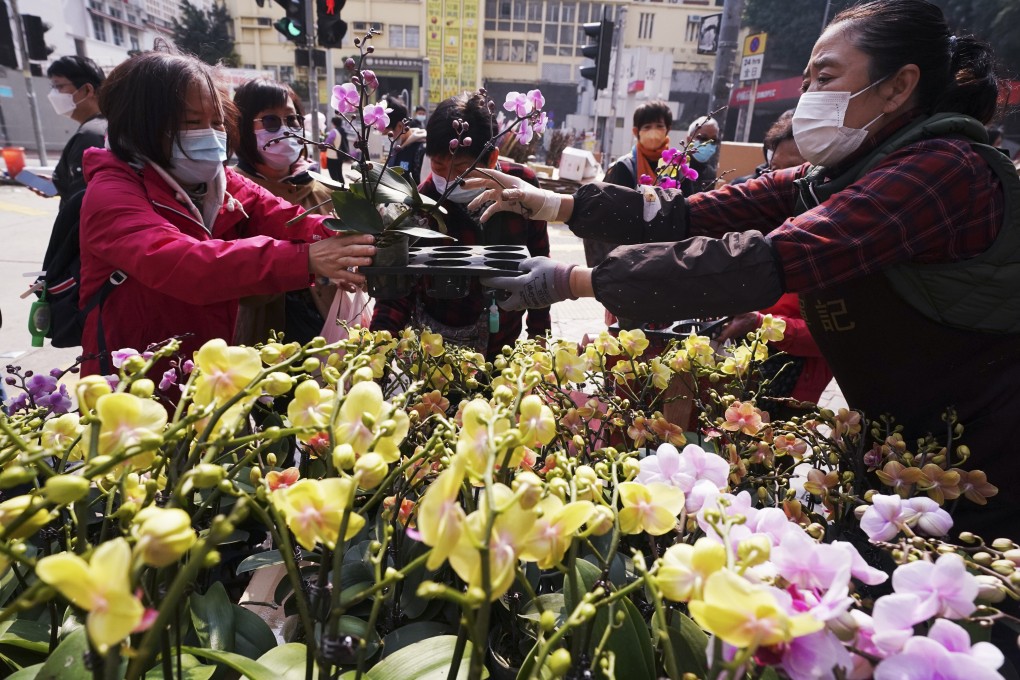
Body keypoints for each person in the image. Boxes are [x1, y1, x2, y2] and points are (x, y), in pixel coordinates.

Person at [468, 0, 1020, 543]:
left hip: (983, 465)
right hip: (903, 447)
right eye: (805, 80)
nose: (807, 97)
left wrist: (571, 282)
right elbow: (692, 212)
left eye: (824, 77)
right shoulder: (833, 174)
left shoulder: (943, 171)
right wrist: (555, 204)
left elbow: (760, 259)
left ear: (899, 86)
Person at [77, 48, 375, 376]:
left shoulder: (218, 181)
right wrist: (305, 258)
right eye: (192, 123)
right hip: (134, 377)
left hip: (207, 368)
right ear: (142, 125)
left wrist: (341, 235)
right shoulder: (112, 193)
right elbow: (183, 264)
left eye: (217, 122)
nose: (210, 133)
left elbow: (279, 215)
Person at [371, 91, 550, 360]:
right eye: (440, 166)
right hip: (438, 352)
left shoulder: (523, 189)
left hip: (503, 345)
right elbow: (397, 293)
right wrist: (376, 354)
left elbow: (540, 267)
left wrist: (539, 343)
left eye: (462, 169)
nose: (449, 179)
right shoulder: (419, 205)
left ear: (492, 159)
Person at [718, 111, 833, 414]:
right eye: (773, 170)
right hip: (741, 368)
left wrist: (761, 324)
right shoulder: (760, 220)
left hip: (792, 385)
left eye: (794, 172)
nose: (779, 182)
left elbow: (829, 337)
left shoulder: (834, 242)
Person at [231, 78, 339, 346]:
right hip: (264, 342)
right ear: (243, 127)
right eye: (270, 121)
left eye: (292, 120)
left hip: (329, 332)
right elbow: (235, 283)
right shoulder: (231, 195)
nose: (285, 130)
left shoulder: (322, 190)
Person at [584, 100, 674, 269]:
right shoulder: (624, 168)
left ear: (668, 129)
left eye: (659, 126)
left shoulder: (677, 168)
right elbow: (609, 217)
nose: (653, 132)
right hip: (631, 260)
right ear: (636, 131)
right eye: (647, 127)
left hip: (667, 259)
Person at [45, 56, 107, 206]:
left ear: (87, 89)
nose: (54, 94)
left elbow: (81, 203)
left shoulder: (89, 136)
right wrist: (60, 183)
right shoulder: (107, 124)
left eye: (59, 86)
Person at [383, 95, 426, 184]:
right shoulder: (395, 149)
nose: (389, 139)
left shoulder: (421, 150)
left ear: (400, 126)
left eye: (390, 134)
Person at [682, 115, 720, 195]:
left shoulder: (712, 175)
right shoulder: (675, 169)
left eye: (713, 140)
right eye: (703, 138)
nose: (708, 144)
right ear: (689, 139)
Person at [323, 115, 349, 182]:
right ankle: (343, 188)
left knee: (333, 174)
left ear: (333, 123)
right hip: (341, 154)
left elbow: (327, 142)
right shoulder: (343, 131)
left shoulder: (334, 131)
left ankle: (337, 188)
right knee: (339, 173)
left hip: (332, 156)